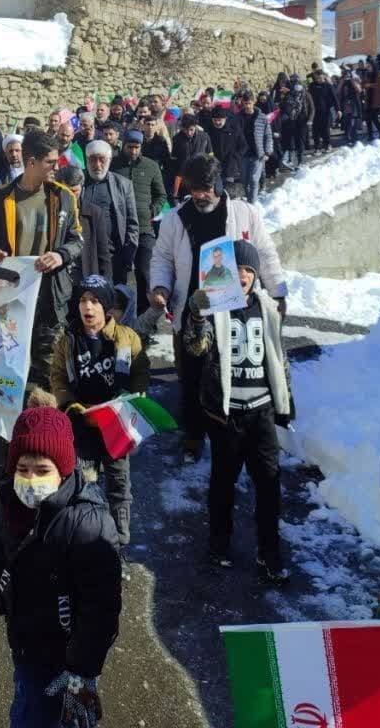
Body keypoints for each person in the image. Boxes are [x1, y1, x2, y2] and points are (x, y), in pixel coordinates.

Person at [0, 395, 121, 728]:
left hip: (66, 654)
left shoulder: (87, 523)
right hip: (26, 641)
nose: (31, 479)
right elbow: (4, 549)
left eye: (42, 470)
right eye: (23, 469)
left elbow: (101, 608)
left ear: (64, 471)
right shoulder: (11, 502)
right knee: (29, 707)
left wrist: (82, 670)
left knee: (62, 718)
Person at [150, 155, 287, 464]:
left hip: (233, 308)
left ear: (220, 184)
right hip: (192, 308)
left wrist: (277, 292)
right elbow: (161, 258)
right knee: (192, 375)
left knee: (231, 373)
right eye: (195, 188)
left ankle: (231, 433)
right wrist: (160, 287)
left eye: (207, 188)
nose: (201, 195)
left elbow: (265, 253)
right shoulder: (175, 218)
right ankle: (194, 435)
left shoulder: (244, 213)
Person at [183, 240, 291, 580]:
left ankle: (269, 554)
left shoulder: (268, 308)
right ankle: (219, 544)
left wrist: (285, 401)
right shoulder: (216, 307)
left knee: (269, 487)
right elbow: (195, 347)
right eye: (238, 270)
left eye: (249, 270)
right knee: (223, 484)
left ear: (255, 275)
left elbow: (279, 357)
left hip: (260, 412)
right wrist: (196, 314)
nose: (243, 276)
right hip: (226, 414)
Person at [50, 276, 150, 571]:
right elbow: (57, 376)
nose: (88, 307)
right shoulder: (68, 340)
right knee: (84, 486)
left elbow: (141, 369)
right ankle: (85, 541)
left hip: (115, 426)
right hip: (82, 426)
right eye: (83, 300)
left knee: (119, 487)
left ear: (106, 307)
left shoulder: (126, 337)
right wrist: (68, 403)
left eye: (95, 301)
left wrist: (135, 392)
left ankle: (117, 546)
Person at [0, 131, 83, 389]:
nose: (57, 167)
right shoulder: (0, 199)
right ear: (31, 162)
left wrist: (60, 255)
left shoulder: (63, 196)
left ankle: (45, 424)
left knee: (49, 374)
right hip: (11, 301)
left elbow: (77, 240)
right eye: (51, 162)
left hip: (51, 299)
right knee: (9, 370)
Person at [110, 130, 166, 314]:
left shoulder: (151, 166)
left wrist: (152, 211)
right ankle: (120, 315)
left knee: (144, 273)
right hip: (119, 230)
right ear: (123, 145)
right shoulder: (113, 165)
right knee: (119, 274)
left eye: (136, 147)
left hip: (144, 229)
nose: (133, 151)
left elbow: (161, 195)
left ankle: (144, 317)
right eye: (130, 147)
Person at [80, 141, 138, 286]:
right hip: (84, 255)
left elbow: (132, 224)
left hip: (114, 256)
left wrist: (128, 256)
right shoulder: (77, 183)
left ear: (110, 160)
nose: (97, 165)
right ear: (86, 160)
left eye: (102, 159)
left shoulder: (123, 185)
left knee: (114, 301)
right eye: (92, 159)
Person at [61, 164, 112, 281]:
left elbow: (103, 253)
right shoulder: (52, 212)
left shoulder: (94, 213)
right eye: (66, 190)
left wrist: (105, 284)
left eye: (74, 191)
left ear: (82, 188)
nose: (70, 195)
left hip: (86, 278)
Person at [235, 92, 273, 204]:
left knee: (254, 179)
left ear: (254, 102)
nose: (247, 106)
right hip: (243, 153)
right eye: (245, 103)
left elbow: (268, 135)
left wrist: (267, 152)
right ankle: (249, 200)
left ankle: (252, 204)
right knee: (245, 180)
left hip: (258, 153)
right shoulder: (237, 117)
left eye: (249, 103)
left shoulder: (262, 117)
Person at [169, 114, 211, 197]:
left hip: (201, 174)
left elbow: (210, 155)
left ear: (195, 126)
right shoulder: (176, 139)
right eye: (186, 130)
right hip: (183, 177)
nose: (189, 132)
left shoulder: (204, 137)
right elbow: (174, 159)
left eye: (191, 129)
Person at [278, 75, 312, 170]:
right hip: (291, 121)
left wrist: (310, 119)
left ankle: (300, 161)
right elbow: (283, 106)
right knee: (290, 141)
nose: (295, 85)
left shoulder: (305, 94)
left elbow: (312, 108)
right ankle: (289, 160)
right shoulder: (288, 94)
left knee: (300, 142)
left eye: (296, 82)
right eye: (292, 82)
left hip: (302, 121)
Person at [308, 69, 339, 153]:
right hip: (315, 112)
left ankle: (327, 145)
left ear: (323, 76)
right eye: (317, 78)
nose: (318, 80)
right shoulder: (312, 86)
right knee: (315, 130)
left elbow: (335, 98)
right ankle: (317, 147)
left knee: (325, 129)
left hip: (326, 111)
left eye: (320, 78)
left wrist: (338, 109)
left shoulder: (328, 86)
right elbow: (308, 98)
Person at [337, 71, 364, 147]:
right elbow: (337, 92)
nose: (346, 77)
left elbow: (359, 90)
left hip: (354, 105)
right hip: (345, 105)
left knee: (352, 122)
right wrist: (342, 81)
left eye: (348, 75)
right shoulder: (342, 83)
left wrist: (352, 80)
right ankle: (352, 138)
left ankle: (353, 138)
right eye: (345, 76)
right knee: (348, 122)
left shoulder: (354, 81)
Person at [364, 64, 380, 142]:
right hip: (368, 99)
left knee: (374, 118)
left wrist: (370, 85)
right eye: (367, 66)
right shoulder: (367, 74)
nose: (367, 67)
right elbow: (364, 83)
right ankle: (370, 135)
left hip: (376, 99)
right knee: (367, 119)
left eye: (369, 66)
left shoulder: (378, 73)